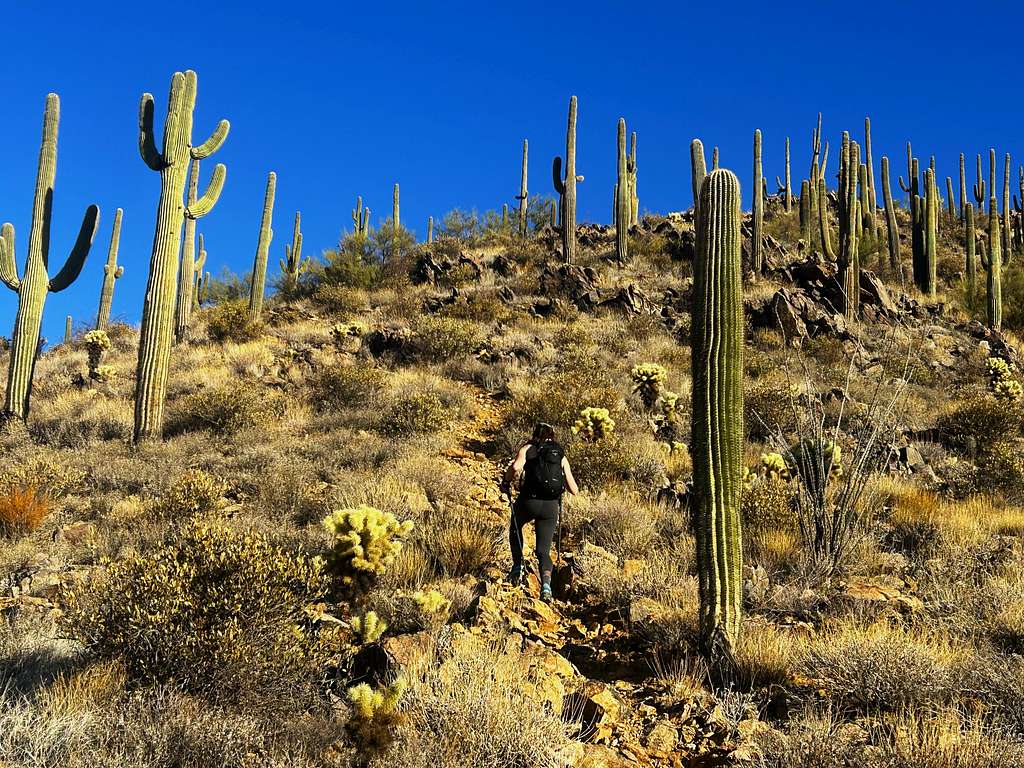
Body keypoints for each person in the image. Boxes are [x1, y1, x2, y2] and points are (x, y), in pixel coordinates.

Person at [502, 422, 579, 602]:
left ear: (535, 434)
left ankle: (517, 566)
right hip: (550, 507)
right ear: (553, 435)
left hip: (529, 501)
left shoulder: (528, 448)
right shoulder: (560, 454)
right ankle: (546, 586)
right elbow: (574, 489)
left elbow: (515, 468)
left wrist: (506, 483)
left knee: (516, 525)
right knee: (543, 550)